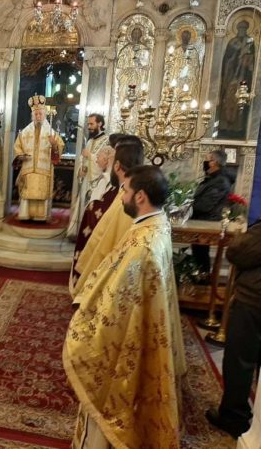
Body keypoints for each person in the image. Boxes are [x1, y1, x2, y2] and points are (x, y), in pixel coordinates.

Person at [64, 165, 186, 448]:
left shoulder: (142, 246)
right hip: (144, 324)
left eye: (125, 190)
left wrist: (86, 318)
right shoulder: (158, 225)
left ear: (140, 196)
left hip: (126, 339)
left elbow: (116, 305)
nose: (121, 196)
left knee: (108, 395)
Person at [206, 218, 261, 439]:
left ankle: (233, 416)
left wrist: (241, 238)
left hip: (254, 300)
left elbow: (239, 252)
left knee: (240, 360)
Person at [71, 136, 144, 298]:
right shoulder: (134, 193)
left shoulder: (125, 200)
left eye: (112, 157)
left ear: (116, 165)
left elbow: (105, 241)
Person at [13, 94, 64, 221]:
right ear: (32, 115)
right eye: (36, 114)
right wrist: (20, 155)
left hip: (43, 169)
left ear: (44, 114)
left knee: (42, 192)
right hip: (28, 168)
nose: (38, 116)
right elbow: (17, 147)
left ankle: (40, 217)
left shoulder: (51, 132)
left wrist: (54, 144)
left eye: (40, 113)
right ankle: (25, 214)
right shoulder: (25, 132)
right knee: (28, 192)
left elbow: (59, 149)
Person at [67, 114, 109, 238]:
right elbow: (83, 158)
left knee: (91, 206)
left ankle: (88, 235)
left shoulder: (107, 140)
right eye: (88, 124)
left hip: (98, 182)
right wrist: (81, 168)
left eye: (91, 124)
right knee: (82, 205)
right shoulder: (90, 141)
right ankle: (79, 233)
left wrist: (90, 156)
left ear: (100, 124)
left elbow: (105, 161)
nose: (89, 127)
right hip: (86, 180)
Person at [191, 149, 232, 277]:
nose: (205, 163)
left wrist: (187, 206)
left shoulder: (220, 181)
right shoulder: (212, 179)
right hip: (201, 220)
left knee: (201, 253)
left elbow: (205, 205)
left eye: (207, 160)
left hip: (207, 222)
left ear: (214, 162)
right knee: (198, 252)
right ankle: (200, 277)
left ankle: (203, 279)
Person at [218, 20, 255, 139]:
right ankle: (224, 126)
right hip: (231, 77)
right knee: (228, 100)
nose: (242, 30)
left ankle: (237, 128)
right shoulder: (232, 42)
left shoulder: (250, 42)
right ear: (237, 28)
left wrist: (246, 59)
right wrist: (236, 56)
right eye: (240, 28)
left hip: (243, 78)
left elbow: (252, 62)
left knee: (240, 102)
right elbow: (227, 59)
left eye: (244, 28)